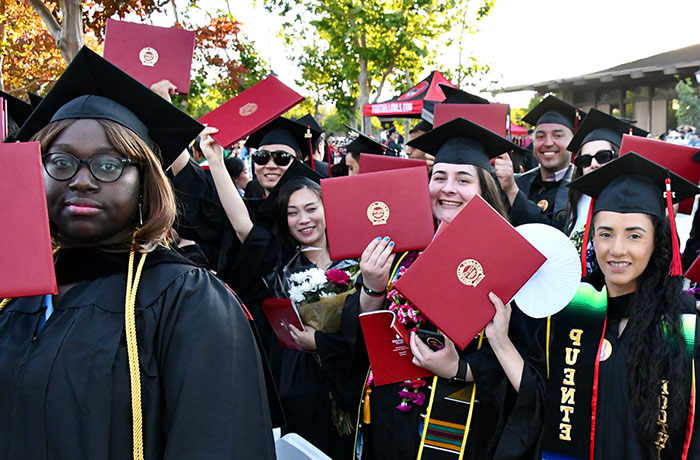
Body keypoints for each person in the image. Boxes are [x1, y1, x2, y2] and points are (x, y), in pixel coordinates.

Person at [1, 46, 275, 459]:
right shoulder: (13, 296)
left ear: (145, 181)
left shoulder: (187, 299)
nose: (82, 181)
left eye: (108, 165)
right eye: (60, 162)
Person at [500, 153, 700, 459]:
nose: (617, 249)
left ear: (657, 240)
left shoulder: (683, 324)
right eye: (606, 234)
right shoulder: (572, 309)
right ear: (592, 236)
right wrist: (500, 340)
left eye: (635, 235)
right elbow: (541, 397)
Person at [353, 117, 528, 460]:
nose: (448, 188)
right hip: (389, 413)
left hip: (459, 420)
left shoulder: (507, 258)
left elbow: (522, 351)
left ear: (485, 188)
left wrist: (459, 369)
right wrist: (372, 288)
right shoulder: (400, 247)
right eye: (439, 177)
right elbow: (359, 334)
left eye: (463, 180)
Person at [196, 130, 366, 459]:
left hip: (349, 379)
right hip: (298, 382)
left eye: (311, 208)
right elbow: (242, 223)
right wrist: (216, 162)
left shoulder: (356, 260)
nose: (303, 219)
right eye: (292, 212)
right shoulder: (280, 260)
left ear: (327, 208)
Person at [564, 108, 648, 275]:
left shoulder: (637, 204)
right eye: (585, 160)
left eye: (603, 156)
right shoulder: (577, 200)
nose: (593, 164)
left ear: (619, 156)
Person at [495, 96, 585, 232]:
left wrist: (513, 191)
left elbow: (553, 235)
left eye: (558, 136)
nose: (548, 143)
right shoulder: (519, 181)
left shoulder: (580, 192)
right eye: (540, 137)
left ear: (573, 143)